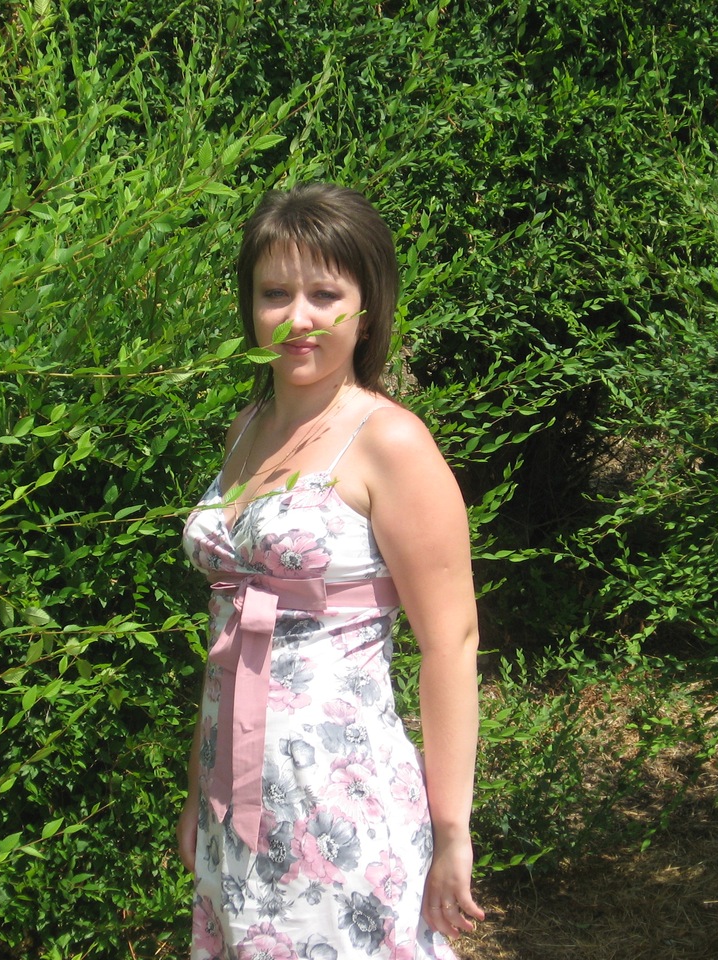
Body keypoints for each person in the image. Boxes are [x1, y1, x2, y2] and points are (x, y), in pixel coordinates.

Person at [179, 182, 484, 958]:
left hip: (339, 807)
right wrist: (197, 793)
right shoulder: (247, 427)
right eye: (274, 294)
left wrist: (452, 829)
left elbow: (451, 643)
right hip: (235, 802)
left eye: (324, 294)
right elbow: (230, 637)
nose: (298, 317)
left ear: (367, 308)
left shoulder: (390, 442)